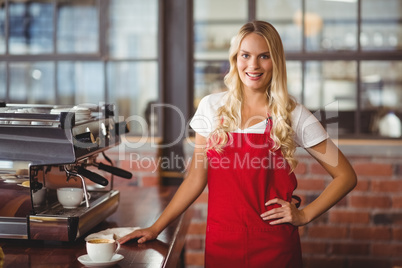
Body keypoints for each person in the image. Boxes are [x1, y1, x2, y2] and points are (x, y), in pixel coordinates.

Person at [118, 21, 357, 267]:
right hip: (222, 242)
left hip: (274, 247)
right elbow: (195, 179)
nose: (253, 65)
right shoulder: (211, 107)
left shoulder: (293, 114)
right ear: (236, 59)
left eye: (264, 56)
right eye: (246, 55)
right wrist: (155, 228)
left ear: (276, 61)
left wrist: (305, 214)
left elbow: (346, 176)